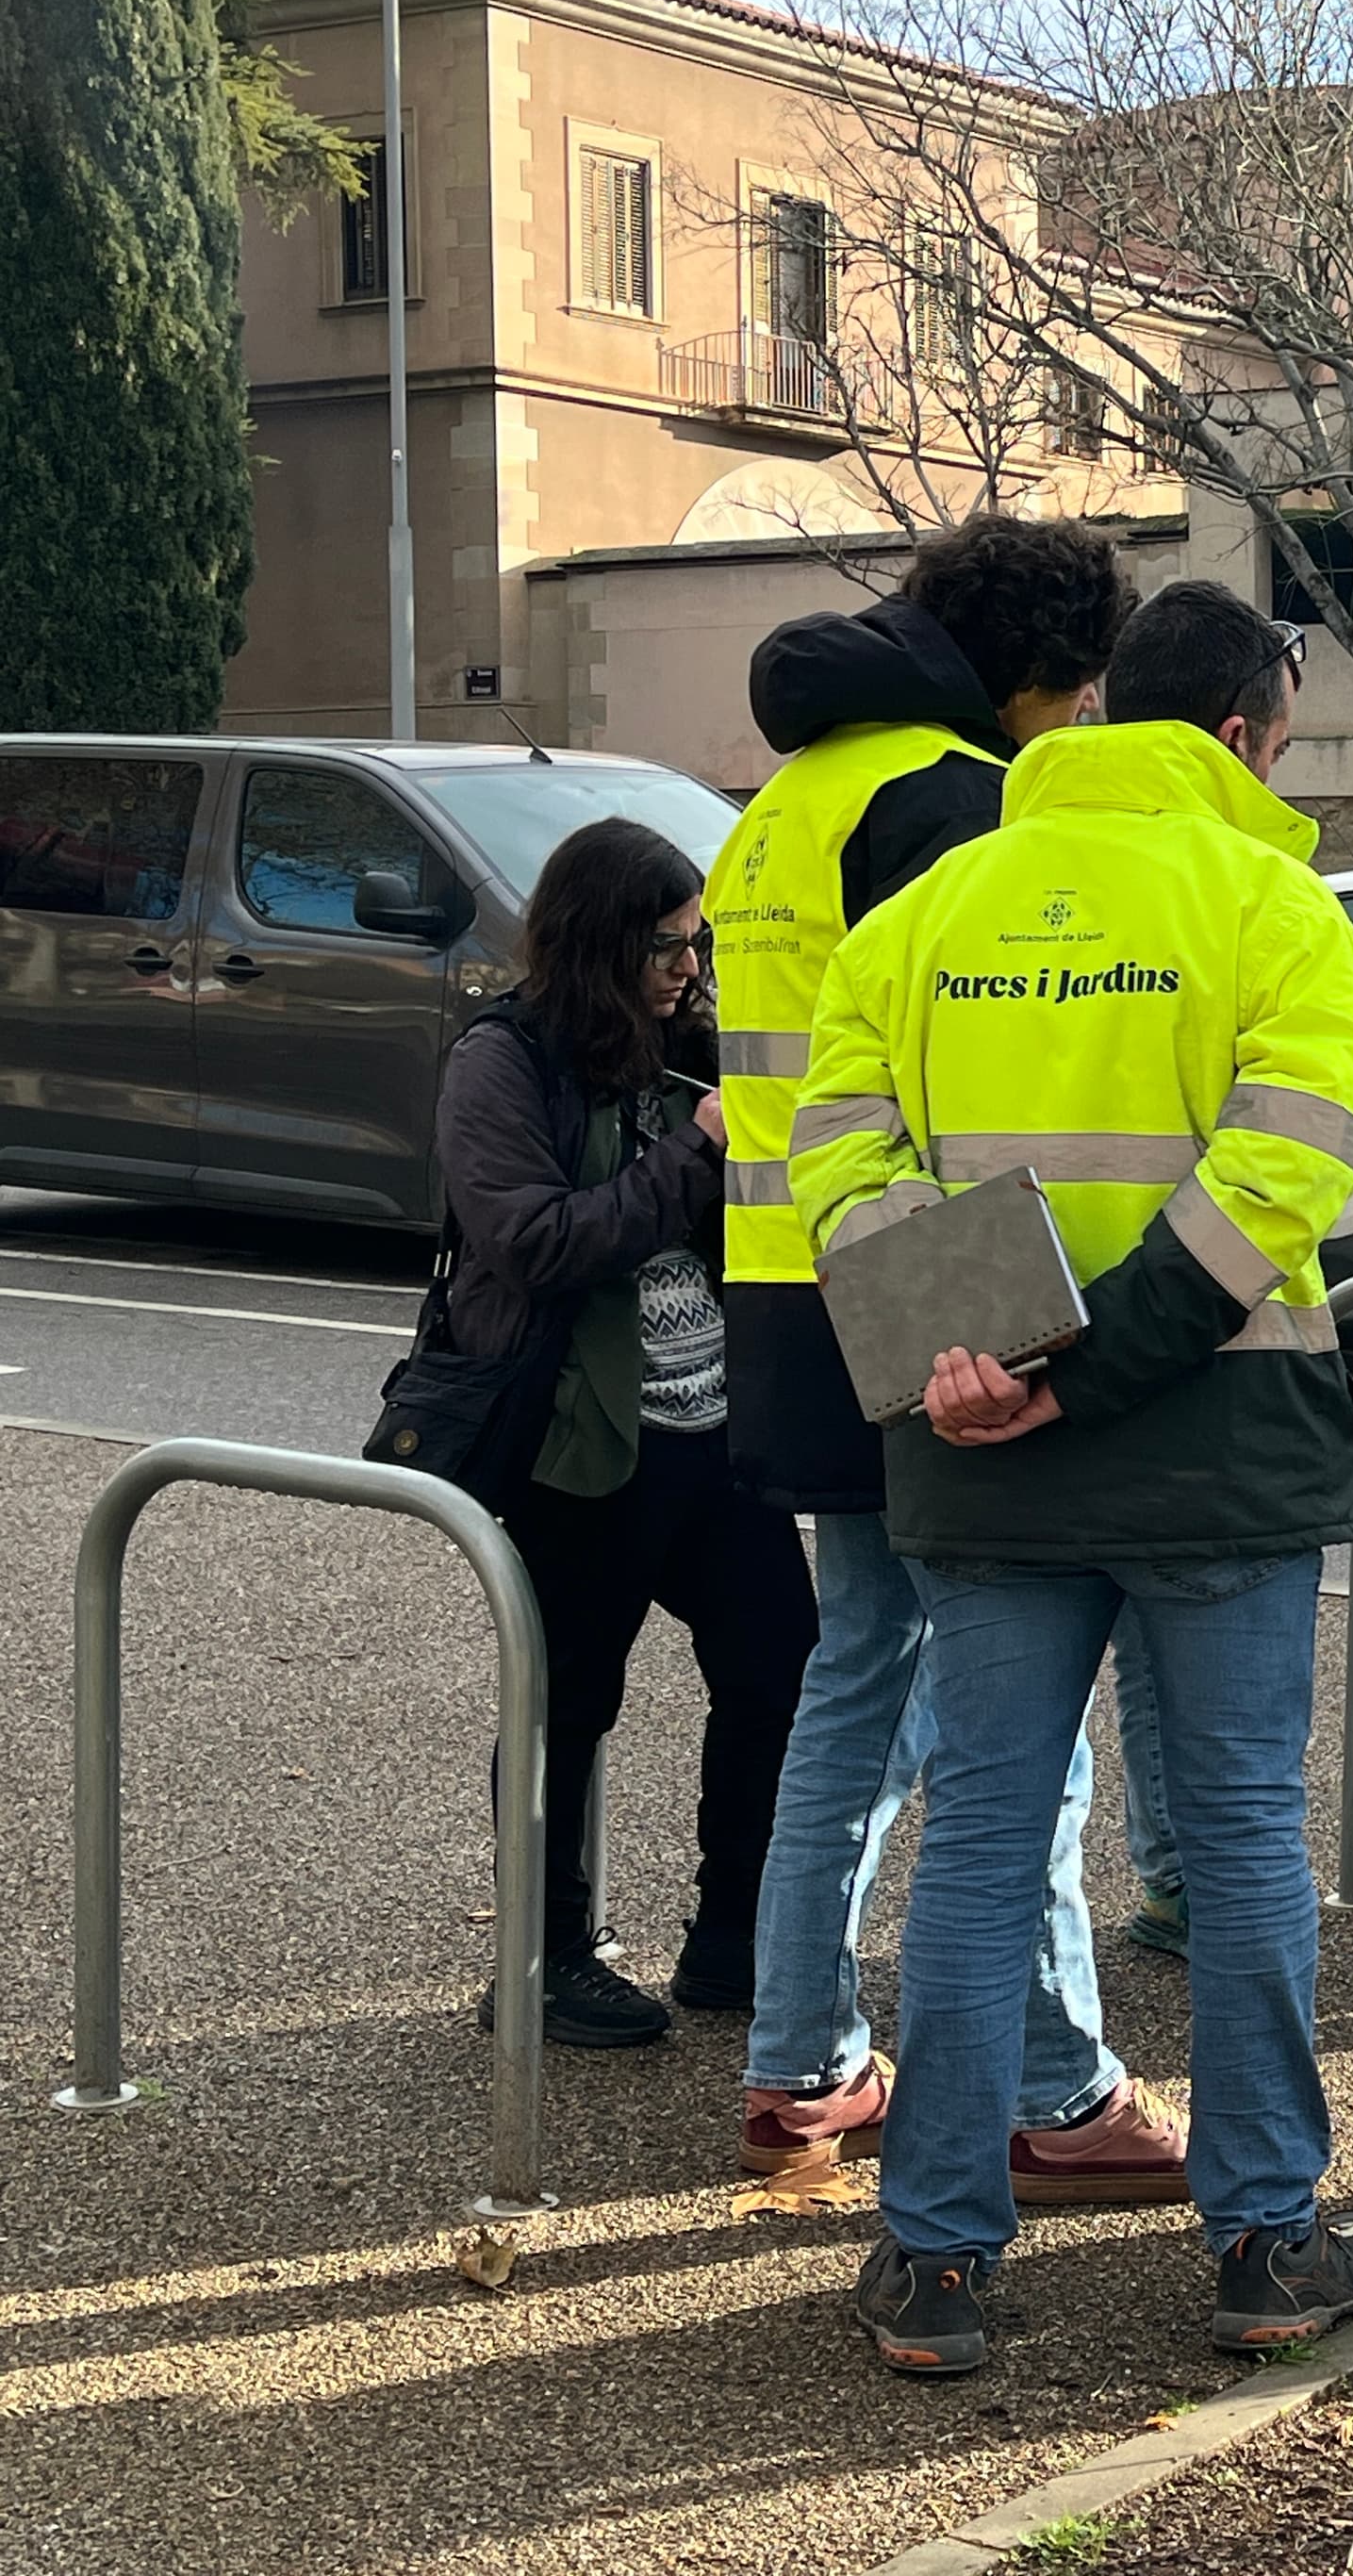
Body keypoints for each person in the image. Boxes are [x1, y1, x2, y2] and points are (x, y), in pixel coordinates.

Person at [794, 575, 1353, 2377]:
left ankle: (939, 2261)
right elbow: (1293, 1161)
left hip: (978, 1458)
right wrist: (1105, 1360)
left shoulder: (923, 910)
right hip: (1214, 1448)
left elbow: (834, 1154)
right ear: (1246, 727)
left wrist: (970, 1357)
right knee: (1233, 1843)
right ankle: (1266, 2240)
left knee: (977, 1845)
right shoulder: (1275, 904)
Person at [716, 515, 1187, 2205]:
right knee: (1018, 1693)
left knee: (859, 1675)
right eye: (1079, 698)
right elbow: (967, 1076)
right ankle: (1058, 2078)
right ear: (1047, 684)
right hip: (918, 1285)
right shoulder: (946, 799)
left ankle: (804, 2055)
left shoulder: (790, 797)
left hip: (782, 1277)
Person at [433, 817, 816, 2047]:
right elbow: (535, 1241)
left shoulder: (686, 1046)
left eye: (697, 947)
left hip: (714, 1435)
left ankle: (735, 1938)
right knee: (566, 1701)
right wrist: (687, 1159)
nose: (688, 970)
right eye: (667, 947)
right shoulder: (502, 1063)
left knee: (781, 1666)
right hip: (579, 1441)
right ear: (601, 942)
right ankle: (541, 1964)